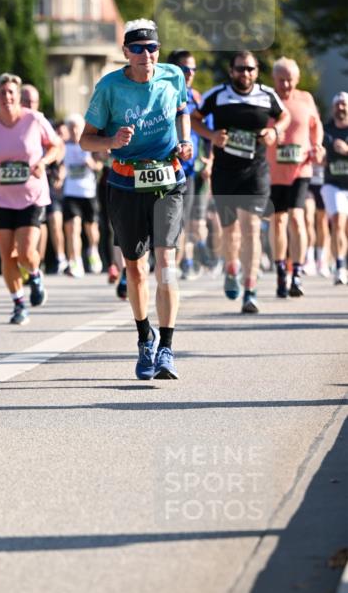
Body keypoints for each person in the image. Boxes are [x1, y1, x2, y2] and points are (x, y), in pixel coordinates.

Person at [80, 19, 193, 380]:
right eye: (139, 49)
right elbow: (86, 140)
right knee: (135, 267)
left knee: (166, 261)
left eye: (153, 48)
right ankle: (145, 336)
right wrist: (112, 143)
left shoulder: (173, 76)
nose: (147, 55)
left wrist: (185, 141)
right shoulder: (109, 87)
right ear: (126, 53)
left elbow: (181, 111)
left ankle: (167, 349)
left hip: (167, 179)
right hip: (126, 182)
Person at [192, 51, 290, 314]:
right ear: (231, 70)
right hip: (225, 172)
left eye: (250, 69)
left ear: (256, 71)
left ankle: (250, 288)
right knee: (230, 231)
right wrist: (212, 135)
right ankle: (232, 266)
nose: (244, 73)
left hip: (255, 171)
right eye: (240, 69)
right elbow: (194, 119)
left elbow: (285, 116)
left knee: (251, 228)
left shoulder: (267, 95)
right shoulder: (217, 95)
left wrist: (274, 131)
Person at [0, 73, 61, 325]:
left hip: (32, 195)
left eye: (11, 92)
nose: (7, 97)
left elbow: (56, 146)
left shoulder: (34, 119)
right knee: (6, 255)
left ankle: (34, 273)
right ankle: (19, 303)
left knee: (25, 252)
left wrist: (43, 161)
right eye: (2, 93)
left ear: (18, 96)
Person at [266, 58, 324, 298]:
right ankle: (281, 269)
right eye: (281, 80)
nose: (286, 85)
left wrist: (317, 144)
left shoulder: (306, 98)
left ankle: (297, 271)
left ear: (297, 80)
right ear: (274, 79)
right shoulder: (267, 98)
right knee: (278, 221)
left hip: (301, 168)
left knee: (298, 219)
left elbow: (316, 124)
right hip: (272, 171)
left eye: (290, 80)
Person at [168, 50, 205, 279]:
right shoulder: (163, 93)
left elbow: (206, 130)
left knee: (184, 219)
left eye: (193, 69)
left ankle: (182, 262)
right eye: (184, 69)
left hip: (189, 168)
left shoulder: (197, 98)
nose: (190, 73)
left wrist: (208, 159)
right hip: (164, 165)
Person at [21, 84, 66, 274]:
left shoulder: (42, 121)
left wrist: (57, 169)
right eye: (26, 101)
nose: (31, 105)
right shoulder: (12, 122)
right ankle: (29, 263)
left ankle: (42, 264)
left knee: (44, 223)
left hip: (44, 181)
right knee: (27, 226)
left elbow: (59, 147)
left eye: (34, 101)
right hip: (17, 185)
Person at [61, 113, 102, 278]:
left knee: (91, 228)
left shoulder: (89, 144)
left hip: (88, 192)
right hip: (71, 192)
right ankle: (76, 261)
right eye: (70, 128)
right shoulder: (64, 147)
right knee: (72, 228)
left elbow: (100, 165)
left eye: (76, 128)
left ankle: (93, 250)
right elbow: (62, 167)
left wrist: (91, 164)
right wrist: (59, 176)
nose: (73, 131)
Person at [321, 92, 348, 285]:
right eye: (338, 104)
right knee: (337, 222)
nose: (341, 108)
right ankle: (339, 267)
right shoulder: (326, 130)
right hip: (332, 184)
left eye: (344, 104)